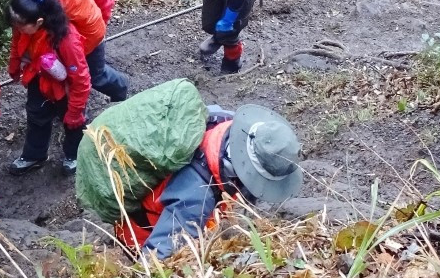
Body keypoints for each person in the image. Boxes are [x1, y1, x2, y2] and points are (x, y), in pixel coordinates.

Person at [118, 103, 303, 260]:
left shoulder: (225, 123)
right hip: (141, 232)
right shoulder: (196, 197)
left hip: (177, 207)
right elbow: (156, 258)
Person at [16, 0, 128, 102]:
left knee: (95, 75)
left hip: (90, 36)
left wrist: (75, 112)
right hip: (77, 27)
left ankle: (121, 86)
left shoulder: (56, 3)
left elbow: (78, 71)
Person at [7, 0, 91, 173]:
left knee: (72, 123)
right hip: (38, 78)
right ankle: (34, 156)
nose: (16, 28)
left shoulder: (67, 40)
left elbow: (81, 79)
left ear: (39, 22)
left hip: (66, 87)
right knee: (36, 116)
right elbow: (17, 44)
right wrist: (14, 65)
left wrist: (75, 111)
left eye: (19, 25)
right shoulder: (23, 26)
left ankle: (74, 155)